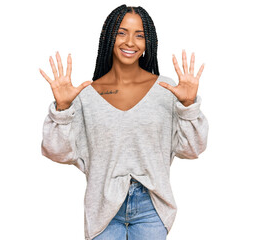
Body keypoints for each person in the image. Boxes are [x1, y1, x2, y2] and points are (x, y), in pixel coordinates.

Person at [39, 4, 209, 240]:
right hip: (103, 212)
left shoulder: (167, 90)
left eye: (139, 35)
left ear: (148, 41)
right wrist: (62, 108)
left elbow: (192, 150)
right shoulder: (85, 95)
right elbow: (57, 153)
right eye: (122, 32)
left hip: (152, 209)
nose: (130, 42)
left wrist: (189, 105)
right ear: (109, 37)